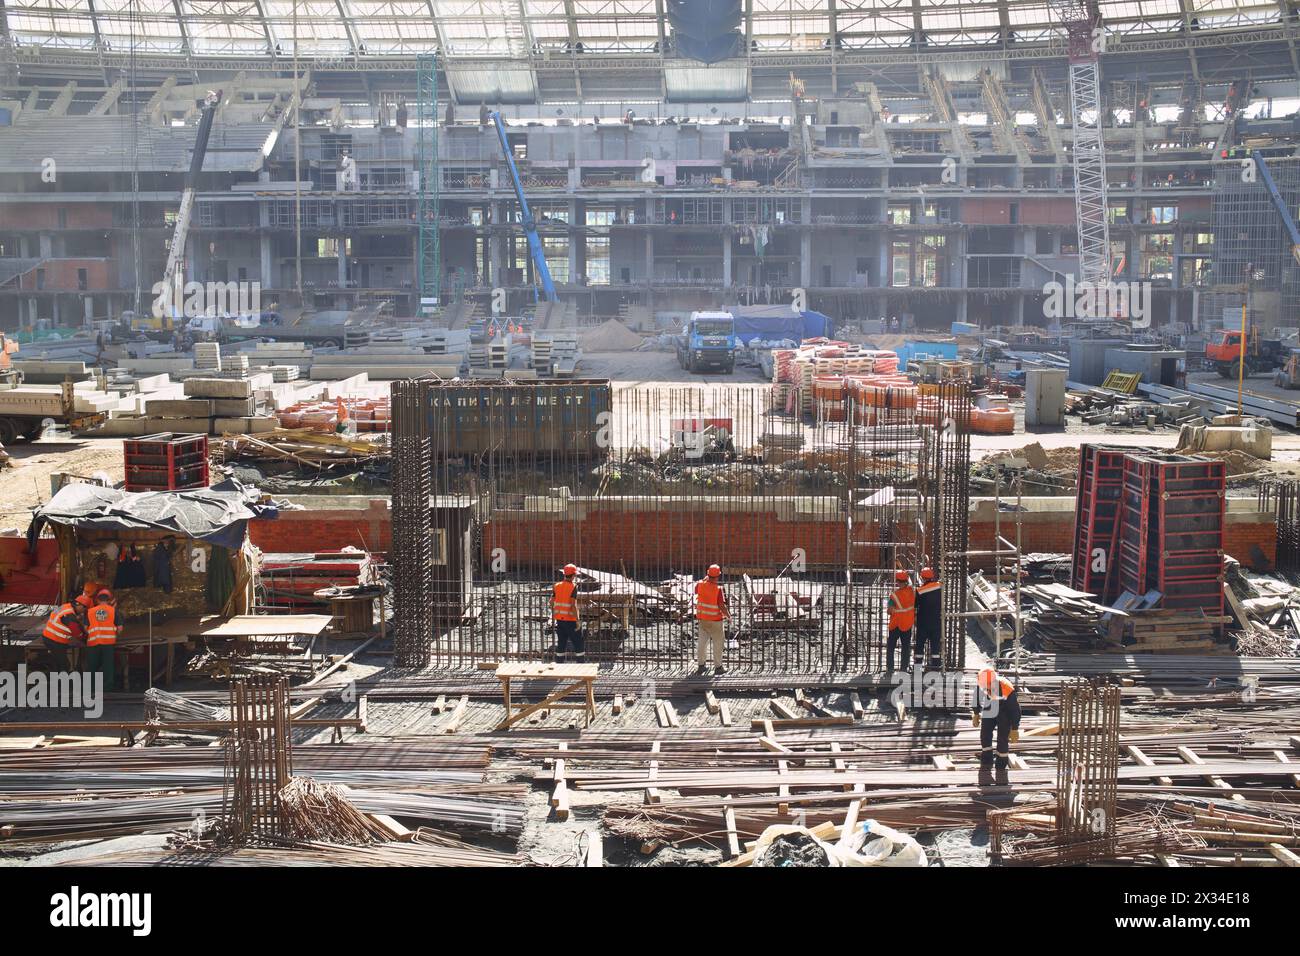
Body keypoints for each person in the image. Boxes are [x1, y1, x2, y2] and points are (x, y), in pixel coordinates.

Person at [973, 667, 1021, 769]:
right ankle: (987, 759)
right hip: (989, 707)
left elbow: (1014, 710)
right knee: (985, 733)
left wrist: (1015, 728)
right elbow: (976, 697)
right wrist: (976, 713)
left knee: (1003, 738)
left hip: (1004, 711)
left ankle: (1001, 764)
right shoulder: (982, 682)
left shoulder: (1006, 688)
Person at [694, 564, 729, 675]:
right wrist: (728, 615)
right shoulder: (718, 589)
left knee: (702, 642)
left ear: (708, 574)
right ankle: (718, 667)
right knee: (718, 643)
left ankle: (701, 666)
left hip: (702, 619)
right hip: (715, 621)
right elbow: (721, 605)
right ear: (718, 576)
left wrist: (704, 580)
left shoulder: (700, 584)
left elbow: (696, 590)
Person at [85, 589, 121, 691]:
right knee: (108, 666)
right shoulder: (114, 611)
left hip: (93, 642)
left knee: (91, 666)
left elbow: (85, 627)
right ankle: (107, 688)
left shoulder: (90, 611)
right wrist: (114, 635)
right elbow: (120, 628)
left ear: (97, 600)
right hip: (108, 643)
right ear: (109, 600)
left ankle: (89, 688)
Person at [552, 564, 584, 664]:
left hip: (560, 620)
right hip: (571, 621)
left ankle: (559, 665)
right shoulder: (573, 587)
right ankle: (581, 665)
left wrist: (557, 612)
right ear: (573, 575)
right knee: (578, 643)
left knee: (561, 643)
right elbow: (573, 605)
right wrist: (578, 620)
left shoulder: (556, 586)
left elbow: (551, 602)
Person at [886, 569, 915, 674]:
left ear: (897, 581)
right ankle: (904, 668)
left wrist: (893, 610)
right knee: (906, 647)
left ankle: (890, 669)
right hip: (907, 624)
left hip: (895, 624)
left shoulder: (894, 595)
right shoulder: (912, 592)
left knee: (890, 647)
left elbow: (889, 611)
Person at [42, 600, 86, 670]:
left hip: (48, 636)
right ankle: (61, 680)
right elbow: (77, 633)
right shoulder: (69, 616)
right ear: (79, 606)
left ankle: (57, 676)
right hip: (55, 641)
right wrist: (85, 639)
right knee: (64, 665)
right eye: (84, 609)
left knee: (58, 663)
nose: (83, 612)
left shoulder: (65, 606)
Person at [913, 566, 942, 671]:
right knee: (935, 646)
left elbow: (914, 605)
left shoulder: (919, 590)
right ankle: (935, 667)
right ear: (932, 576)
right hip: (936, 622)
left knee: (920, 645)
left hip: (923, 623)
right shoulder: (939, 587)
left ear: (922, 577)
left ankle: (917, 667)